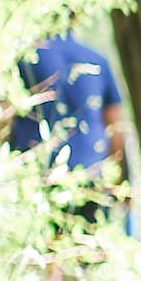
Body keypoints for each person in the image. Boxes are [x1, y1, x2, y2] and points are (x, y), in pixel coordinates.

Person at [9, 25, 125, 221]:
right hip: (90, 179)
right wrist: (121, 182)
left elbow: (5, 115)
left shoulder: (25, 59)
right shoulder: (97, 61)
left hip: (35, 177)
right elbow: (115, 128)